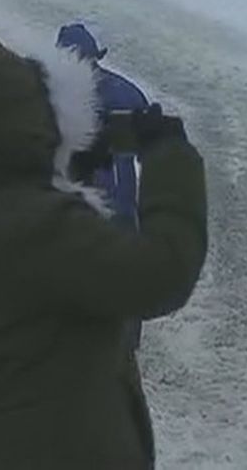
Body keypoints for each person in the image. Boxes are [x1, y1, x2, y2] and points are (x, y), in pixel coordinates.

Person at [0, 37, 208, 470]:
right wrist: (171, 160)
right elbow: (161, 273)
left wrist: (55, 169)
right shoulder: (32, 227)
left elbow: (14, 281)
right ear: (28, 120)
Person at [56, 22, 150, 351]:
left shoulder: (56, 97)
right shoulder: (125, 92)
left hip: (78, 202)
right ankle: (126, 338)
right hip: (122, 199)